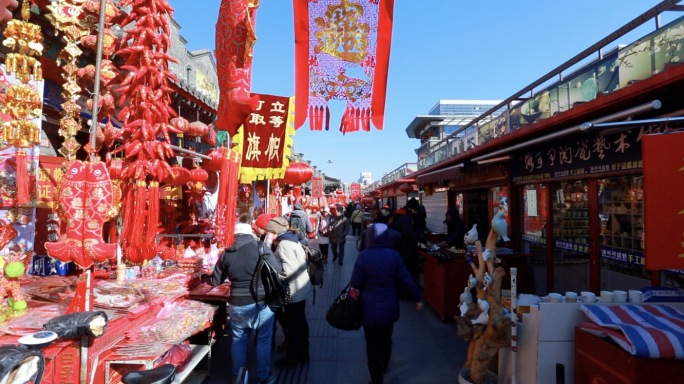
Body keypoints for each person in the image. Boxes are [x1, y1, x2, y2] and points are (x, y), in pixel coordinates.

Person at [201, 214, 276, 384]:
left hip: (237, 304)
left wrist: (203, 277)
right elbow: (276, 269)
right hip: (261, 302)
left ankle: (239, 378)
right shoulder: (261, 248)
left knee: (239, 340)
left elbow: (215, 281)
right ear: (250, 234)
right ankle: (263, 377)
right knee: (263, 340)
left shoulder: (227, 253)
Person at [350, 223, 424, 384]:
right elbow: (406, 280)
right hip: (389, 306)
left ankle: (376, 378)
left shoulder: (363, 256)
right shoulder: (394, 255)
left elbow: (355, 282)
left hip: (368, 308)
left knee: (372, 343)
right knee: (386, 337)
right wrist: (418, 298)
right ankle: (384, 364)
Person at [264, 216, 313, 367]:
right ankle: (304, 353)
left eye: (268, 232)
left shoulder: (284, 244)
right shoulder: (292, 239)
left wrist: (277, 277)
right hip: (302, 287)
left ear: (274, 232)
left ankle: (293, 358)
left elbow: (289, 271)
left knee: (295, 324)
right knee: (301, 322)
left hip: (294, 290)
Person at [389, 207, 426, 282]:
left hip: (402, 250)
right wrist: (422, 238)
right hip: (406, 251)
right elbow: (410, 233)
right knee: (407, 271)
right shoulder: (405, 220)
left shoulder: (401, 218)